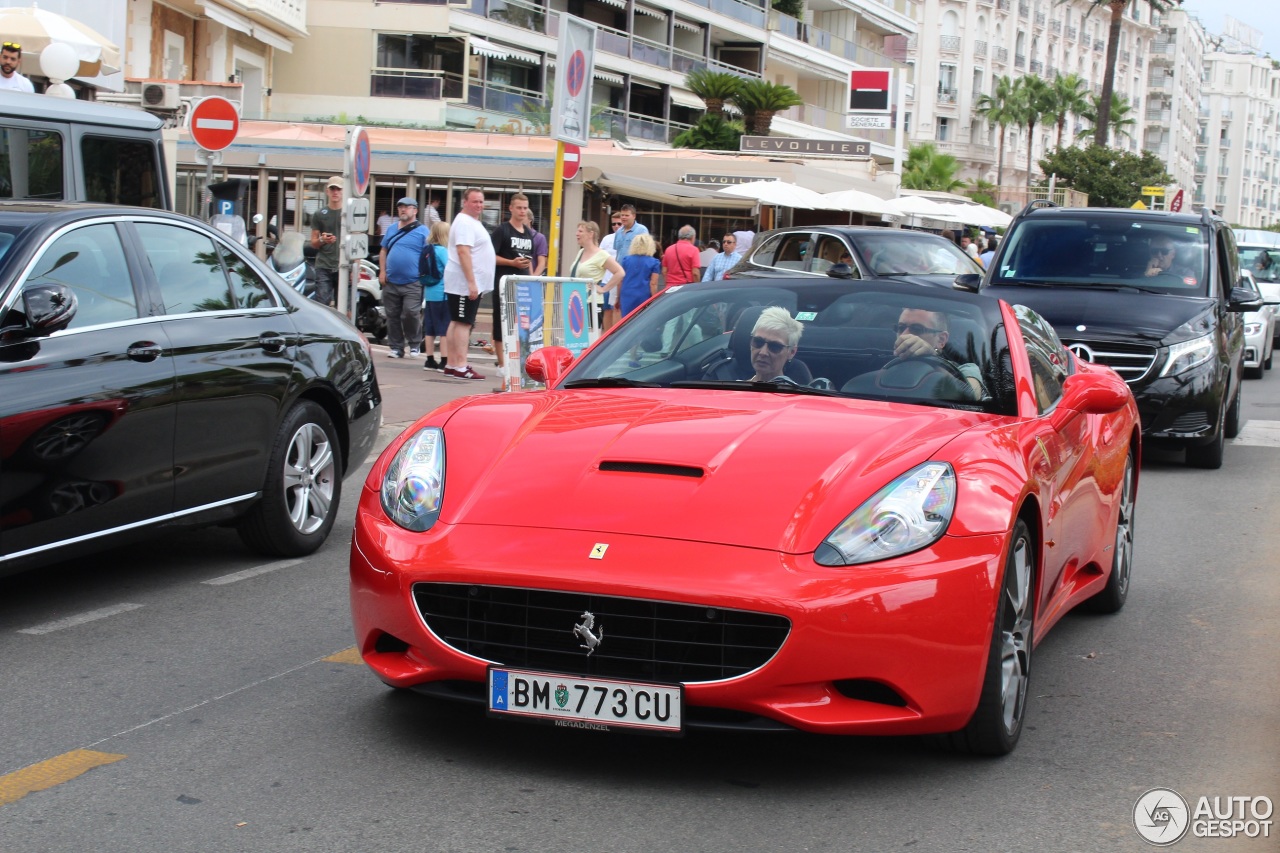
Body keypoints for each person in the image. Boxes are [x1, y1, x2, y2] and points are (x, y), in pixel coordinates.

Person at [442, 187, 495, 380]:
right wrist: (472, 282)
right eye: (475, 202)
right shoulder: (464, 222)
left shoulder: (471, 222)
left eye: (481, 202)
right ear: (465, 202)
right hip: (464, 282)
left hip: (466, 281)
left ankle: (452, 364)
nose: (479, 205)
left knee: (457, 321)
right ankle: (461, 366)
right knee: (464, 323)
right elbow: (463, 251)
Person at [891, 307, 985, 399]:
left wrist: (932, 358)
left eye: (917, 329)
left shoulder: (967, 369)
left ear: (941, 340)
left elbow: (971, 396)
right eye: (901, 328)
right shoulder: (880, 359)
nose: (904, 334)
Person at [378, 197, 427, 359]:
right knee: (392, 315)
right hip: (391, 280)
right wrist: (382, 272)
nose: (403, 210)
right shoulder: (392, 229)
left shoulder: (423, 231)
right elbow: (384, 251)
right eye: (400, 207)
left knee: (411, 312)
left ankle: (414, 344)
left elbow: (428, 255)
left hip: (413, 281)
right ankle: (396, 347)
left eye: (407, 207)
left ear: (415, 210)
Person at [491, 192, 535, 369]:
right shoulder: (502, 230)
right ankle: (502, 365)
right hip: (504, 283)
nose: (522, 211)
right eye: (519, 207)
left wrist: (531, 277)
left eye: (525, 208)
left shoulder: (529, 233)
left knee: (522, 325)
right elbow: (490, 256)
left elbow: (530, 258)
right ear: (511, 208)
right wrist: (511, 262)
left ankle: (518, 361)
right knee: (501, 324)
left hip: (523, 285)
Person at [566, 222, 624, 325]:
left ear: (590, 234)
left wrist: (603, 289)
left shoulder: (601, 254)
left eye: (580, 231)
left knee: (590, 336)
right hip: (576, 301)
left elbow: (620, 272)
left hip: (591, 301)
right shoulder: (581, 252)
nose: (576, 234)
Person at [602, 232, 660, 319]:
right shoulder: (654, 262)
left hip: (627, 295)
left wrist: (618, 298)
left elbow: (620, 281)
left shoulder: (626, 260)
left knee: (627, 322)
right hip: (644, 296)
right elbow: (653, 284)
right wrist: (655, 299)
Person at [308, 176, 344, 306]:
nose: (335, 192)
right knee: (322, 305)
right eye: (332, 189)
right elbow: (313, 242)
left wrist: (356, 266)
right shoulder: (319, 214)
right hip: (324, 265)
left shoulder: (349, 213)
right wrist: (323, 239)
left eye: (338, 189)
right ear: (327, 191)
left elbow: (357, 240)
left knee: (346, 307)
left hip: (344, 265)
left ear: (343, 191)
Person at [421, 220, 451, 372]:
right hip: (443, 294)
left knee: (430, 329)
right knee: (444, 329)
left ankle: (429, 359)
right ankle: (444, 361)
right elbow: (450, 269)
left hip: (429, 294)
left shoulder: (427, 249)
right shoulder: (443, 251)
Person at [748, 307, 803, 383]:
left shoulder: (798, 394)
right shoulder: (732, 390)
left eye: (775, 346)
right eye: (758, 342)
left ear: (792, 352)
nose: (763, 352)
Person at [597, 213, 623, 329]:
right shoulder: (607, 239)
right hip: (606, 280)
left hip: (619, 280)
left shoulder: (626, 237)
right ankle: (606, 336)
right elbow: (599, 257)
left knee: (616, 310)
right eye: (613, 224)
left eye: (619, 223)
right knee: (607, 310)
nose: (616, 226)